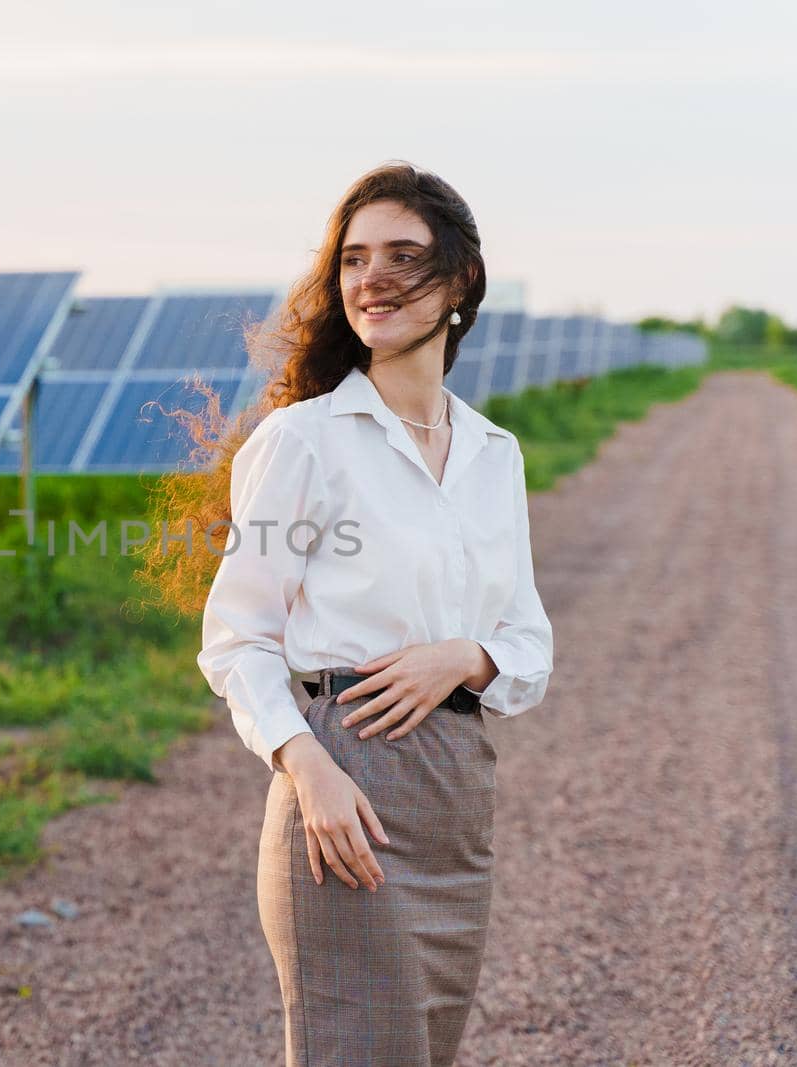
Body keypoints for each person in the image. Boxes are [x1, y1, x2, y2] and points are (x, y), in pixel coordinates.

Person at [195, 161, 554, 1066]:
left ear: (461, 282)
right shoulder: (302, 441)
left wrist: (461, 659)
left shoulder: (492, 452)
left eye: (403, 254)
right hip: (343, 794)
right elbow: (236, 640)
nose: (372, 278)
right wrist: (310, 772)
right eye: (354, 259)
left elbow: (528, 645)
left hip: (455, 802)